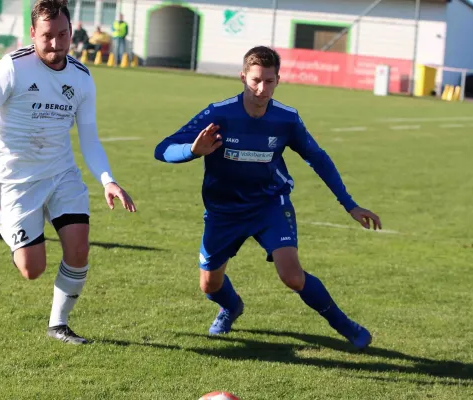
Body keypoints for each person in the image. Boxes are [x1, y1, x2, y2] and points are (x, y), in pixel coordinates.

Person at [0, 0, 136, 345]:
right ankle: (7, 221)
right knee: (33, 269)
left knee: (79, 248)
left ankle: (59, 324)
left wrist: (108, 179)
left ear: (71, 32)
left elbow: (89, 137)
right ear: (32, 34)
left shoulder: (82, 78)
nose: (56, 44)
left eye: (62, 35)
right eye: (47, 36)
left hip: (61, 174)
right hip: (16, 181)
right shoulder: (12, 68)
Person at [154, 46, 381, 350]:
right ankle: (231, 308)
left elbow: (318, 158)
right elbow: (163, 148)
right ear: (243, 77)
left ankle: (347, 327)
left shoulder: (286, 119)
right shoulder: (219, 113)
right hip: (224, 211)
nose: (262, 89)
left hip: (270, 204)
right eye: (256, 80)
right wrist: (192, 151)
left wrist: (349, 203)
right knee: (210, 284)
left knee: (292, 276)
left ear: (278, 80)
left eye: (269, 81)